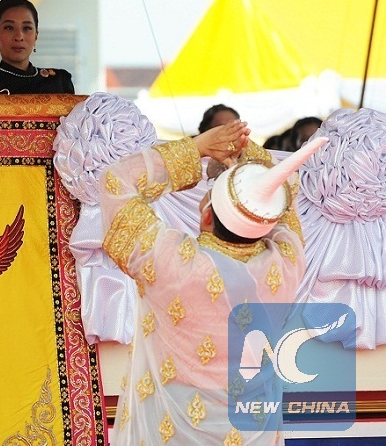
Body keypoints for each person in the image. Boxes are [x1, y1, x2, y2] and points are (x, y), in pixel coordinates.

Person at [98, 120, 327, 445]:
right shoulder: (287, 262)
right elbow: (285, 196)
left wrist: (198, 147)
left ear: (206, 215)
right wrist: (250, 157)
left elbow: (115, 182)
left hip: (175, 431)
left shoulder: (172, 263)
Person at [0, 0, 75, 94]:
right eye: (9, 28)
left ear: (36, 36)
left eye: (27, 28)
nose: (19, 37)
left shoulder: (59, 81)